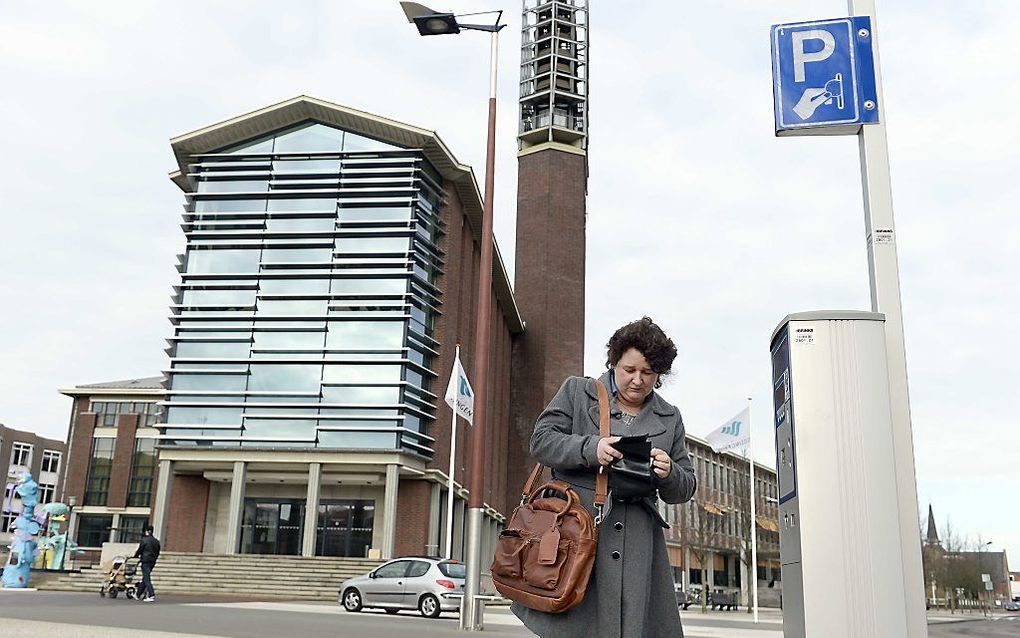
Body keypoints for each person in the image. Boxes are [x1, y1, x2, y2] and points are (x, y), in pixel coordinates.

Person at [512, 317, 698, 638]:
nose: (638, 380)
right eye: (629, 369)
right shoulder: (576, 392)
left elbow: (686, 487)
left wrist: (669, 473)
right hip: (578, 535)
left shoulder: (671, 418)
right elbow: (541, 441)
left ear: (660, 375)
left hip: (639, 546)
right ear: (614, 362)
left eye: (649, 373)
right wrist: (590, 448)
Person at [134, 525, 161, 602]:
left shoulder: (144, 540)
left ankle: (151, 594)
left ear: (146, 531)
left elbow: (140, 549)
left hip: (145, 560)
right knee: (145, 577)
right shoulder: (156, 541)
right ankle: (138, 594)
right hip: (152, 561)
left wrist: (135, 556)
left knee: (146, 578)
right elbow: (158, 551)